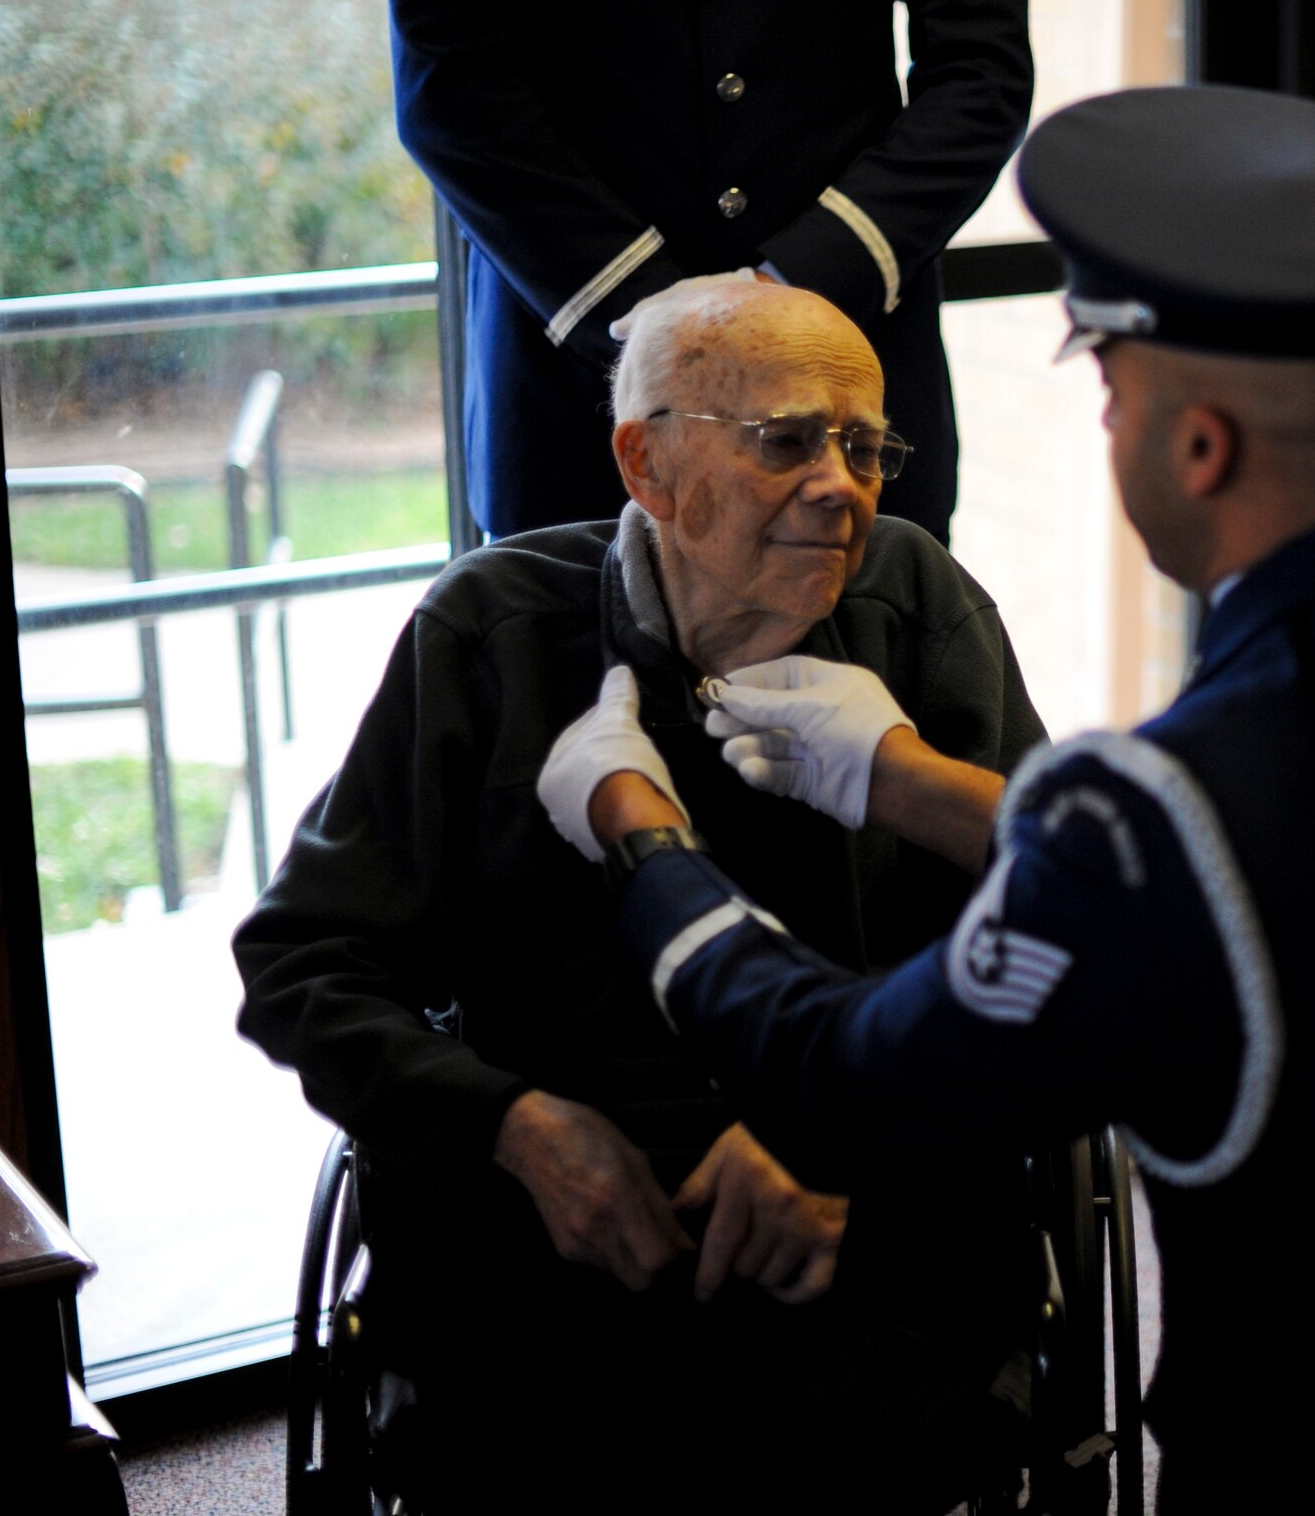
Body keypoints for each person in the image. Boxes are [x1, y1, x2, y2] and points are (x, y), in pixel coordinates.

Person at [538, 87, 1315, 1511]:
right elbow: (1297, 884)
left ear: (1199, 450)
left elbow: (844, 1074)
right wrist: (898, 776)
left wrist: (647, 843)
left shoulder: (1160, 818)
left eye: (1113, 384)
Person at [234, 282, 1044, 1512]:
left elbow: (1040, 950)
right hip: (545, 1239)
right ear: (647, 462)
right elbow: (304, 964)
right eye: (786, 440)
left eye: (865, 445)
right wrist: (511, 1126)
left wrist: (840, 1143)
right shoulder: (492, 632)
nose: (842, 484)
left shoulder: (916, 611)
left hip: (864, 1227)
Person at [387, 0, 1034, 544]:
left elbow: (980, 77)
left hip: (853, 395)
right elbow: (450, 87)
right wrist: (643, 312)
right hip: (575, 408)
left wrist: (799, 282)